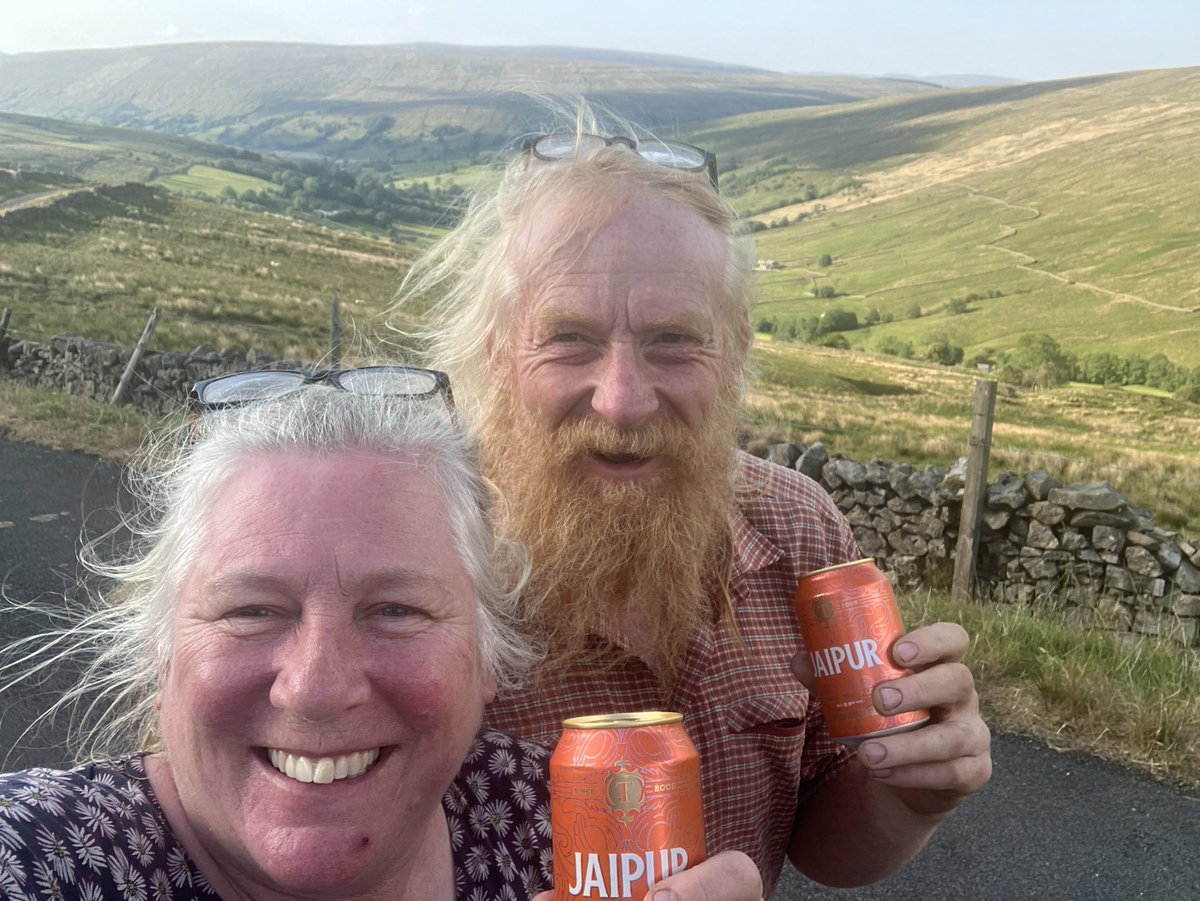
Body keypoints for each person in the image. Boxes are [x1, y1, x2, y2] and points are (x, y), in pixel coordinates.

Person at [391, 114, 993, 896]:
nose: (623, 401)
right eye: (569, 337)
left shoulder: (799, 529)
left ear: (736, 346)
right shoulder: (415, 555)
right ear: (499, 352)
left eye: (673, 340)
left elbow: (825, 844)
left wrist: (912, 794)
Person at [0, 371, 763, 901]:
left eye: (396, 609)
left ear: (486, 656)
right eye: (251, 610)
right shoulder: (47, 858)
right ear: (161, 650)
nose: (318, 686)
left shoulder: (562, 827)